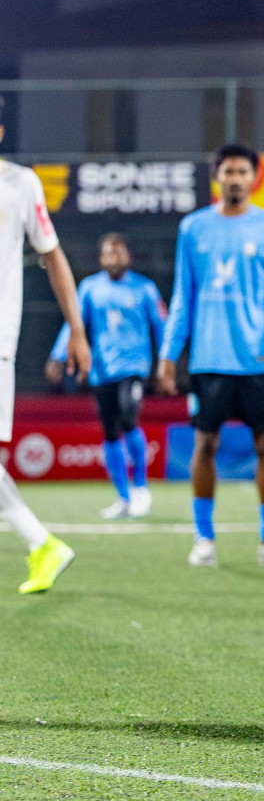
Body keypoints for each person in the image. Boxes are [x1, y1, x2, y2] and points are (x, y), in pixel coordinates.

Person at [156, 144, 264, 569]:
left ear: (255, 177)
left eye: (242, 171)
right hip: (208, 358)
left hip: (260, 358)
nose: (235, 178)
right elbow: (183, 295)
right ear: (216, 178)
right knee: (205, 444)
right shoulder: (193, 228)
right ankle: (204, 538)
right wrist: (169, 354)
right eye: (228, 171)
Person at [0, 110, 90, 594]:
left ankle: (41, 543)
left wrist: (76, 329)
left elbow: (52, 255)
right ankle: (41, 543)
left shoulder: (19, 184)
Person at [44, 234, 164, 519]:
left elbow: (162, 325)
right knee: (110, 432)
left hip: (134, 368)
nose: (114, 258)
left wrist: (167, 361)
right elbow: (74, 325)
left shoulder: (144, 288)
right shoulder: (90, 288)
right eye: (109, 253)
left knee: (129, 417)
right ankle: (123, 497)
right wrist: (58, 355)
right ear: (101, 258)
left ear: (128, 256)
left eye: (119, 253)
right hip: (102, 370)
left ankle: (142, 489)